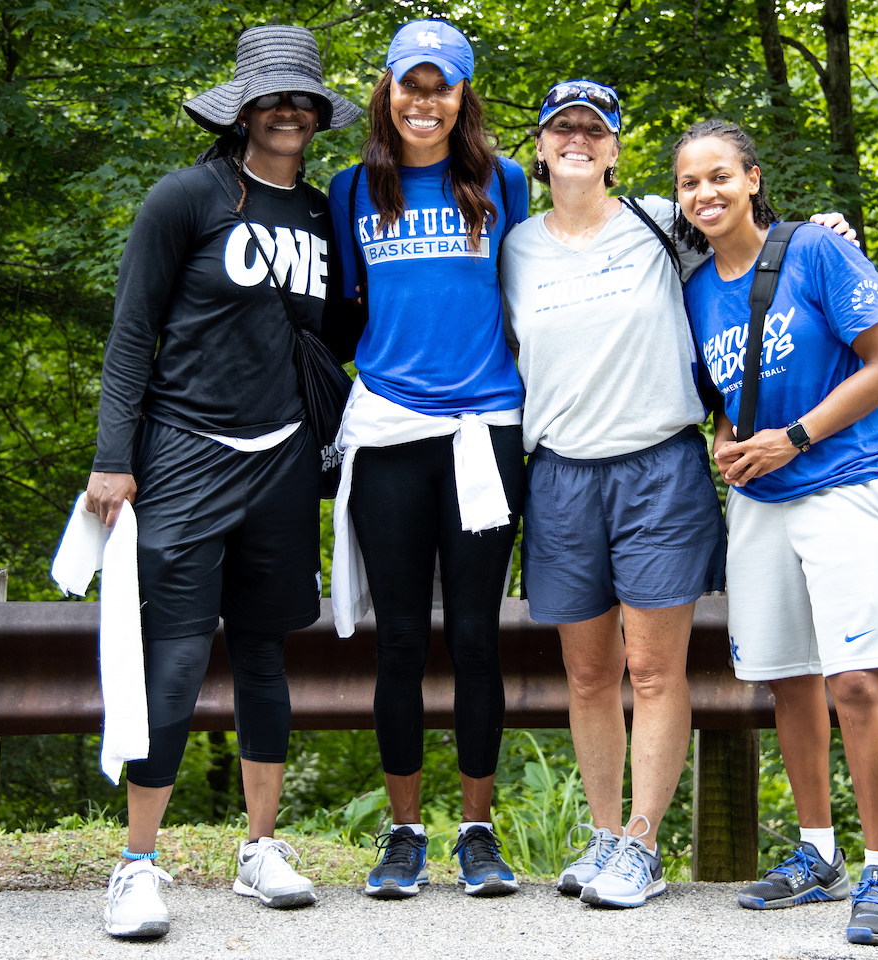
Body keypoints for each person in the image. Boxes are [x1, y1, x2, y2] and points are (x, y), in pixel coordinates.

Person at [500, 82, 857, 910]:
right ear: (543, 149)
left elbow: (748, 234)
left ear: (617, 148)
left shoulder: (662, 220)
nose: (579, 140)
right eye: (564, 129)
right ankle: (601, 837)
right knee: (587, 677)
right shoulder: (514, 247)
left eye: (596, 129)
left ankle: (643, 842)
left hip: (658, 468)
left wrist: (828, 231)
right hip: (558, 473)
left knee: (653, 671)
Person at [85, 26, 361, 938]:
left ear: (320, 114)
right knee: (172, 660)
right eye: (271, 97)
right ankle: (136, 866)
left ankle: (260, 848)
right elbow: (133, 336)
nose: (288, 111)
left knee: (266, 656)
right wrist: (112, 457)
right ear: (242, 108)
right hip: (182, 455)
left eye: (302, 98)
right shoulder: (185, 199)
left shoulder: (326, 213)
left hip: (285, 458)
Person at [676, 119, 878, 946]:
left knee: (854, 681)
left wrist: (796, 438)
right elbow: (719, 397)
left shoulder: (816, 250)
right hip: (761, 504)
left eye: (718, 177)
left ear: (751, 178)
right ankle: (818, 854)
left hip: (845, 484)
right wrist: (727, 443)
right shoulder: (697, 287)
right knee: (788, 681)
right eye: (688, 183)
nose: (704, 194)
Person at [326, 19, 528, 900]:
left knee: (478, 640)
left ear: (462, 96)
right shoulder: (349, 189)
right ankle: (404, 834)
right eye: (409, 84)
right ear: (386, 89)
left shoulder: (504, 183)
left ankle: (476, 833)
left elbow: (580, 253)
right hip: (390, 433)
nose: (423, 101)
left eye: (440, 86)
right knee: (400, 641)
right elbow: (331, 307)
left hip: (487, 431)